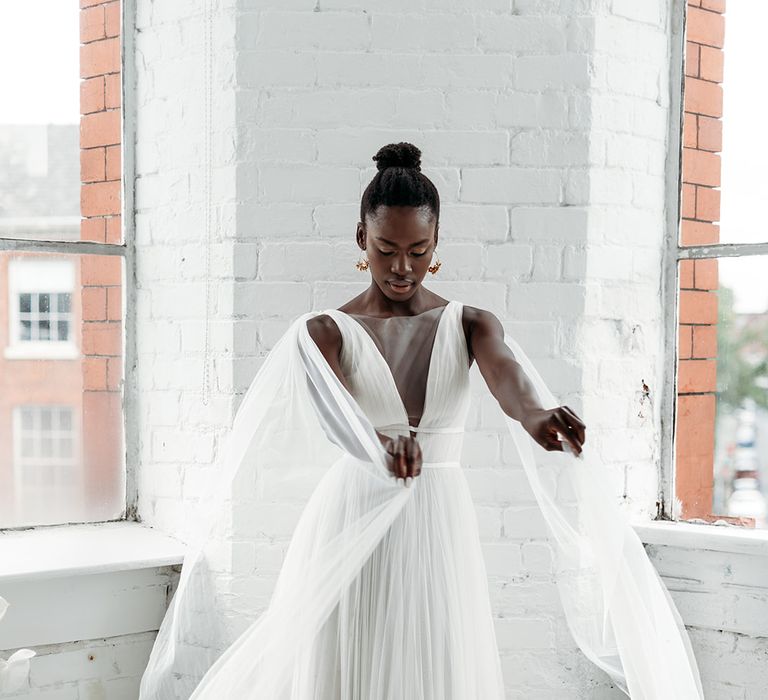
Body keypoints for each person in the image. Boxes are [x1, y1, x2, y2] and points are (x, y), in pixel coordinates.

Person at [139, 143, 704, 700]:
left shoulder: (470, 323)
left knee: (436, 658)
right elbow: (335, 414)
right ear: (362, 238)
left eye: (419, 249)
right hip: (355, 510)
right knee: (351, 660)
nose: (403, 267)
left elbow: (507, 376)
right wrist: (374, 439)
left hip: (438, 518)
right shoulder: (324, 332)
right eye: (386, 249)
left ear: (437, 243)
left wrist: (534, 413)